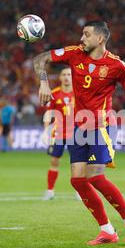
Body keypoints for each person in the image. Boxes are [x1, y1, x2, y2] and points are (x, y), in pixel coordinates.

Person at [34, 20, 125, 245]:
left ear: (100, 39)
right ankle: (107, 230)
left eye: (86, 35)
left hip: (101, 126)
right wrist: (44, 83)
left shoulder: (116, 65)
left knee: (95, 176)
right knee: (77, 180)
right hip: (78, 127)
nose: (81, 39)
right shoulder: (74, 53)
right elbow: (40, 59)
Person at [41, 67, 80, 201]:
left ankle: (79, 192)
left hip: (75, 133)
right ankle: (50, 191)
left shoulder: (79, 93)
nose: (66, 77)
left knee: (76, 163)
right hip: (57, 133)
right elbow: (48, 114)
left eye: (69, 74)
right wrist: (46, 130)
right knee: (54, 161)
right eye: (64, 74)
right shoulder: (54, 93)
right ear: (60, 77)